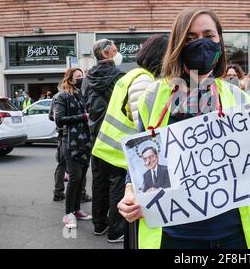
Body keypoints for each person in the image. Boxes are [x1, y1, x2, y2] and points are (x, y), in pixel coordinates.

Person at [117, 7, 250, 249]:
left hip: (230, 234)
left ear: (219, 43)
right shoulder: (153, 96)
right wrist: (130, 192)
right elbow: (138, 157)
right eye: (190, 38)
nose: (201, 44)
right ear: (177, 44)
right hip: (172, 233)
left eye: (209, 37)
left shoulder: (238, 98)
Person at [90, 34, 167, 245]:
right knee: (121, 195)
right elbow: (142, 125)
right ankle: (116, 232)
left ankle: (101, 225)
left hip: (107, 146)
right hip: (120, 152)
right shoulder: (144, 80)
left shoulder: (132, 75)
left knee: (103, 190)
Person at [82, 39, 125, 242]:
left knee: (98, 181)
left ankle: (99, 224)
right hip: (114, 135)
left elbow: (86, 103)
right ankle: (116, 230)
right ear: (107, 54)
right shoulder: (119, 77)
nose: (119, 54)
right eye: (116, 51)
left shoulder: (87, 78)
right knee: (117, 181)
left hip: (95, 136)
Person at [55, 68, 92, 229]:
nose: (81, 78)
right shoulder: (62, 96)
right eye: (78, 77)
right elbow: (59, 120)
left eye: (82, 76)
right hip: (69, 141)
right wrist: (83, 117)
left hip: (84, 141)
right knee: (75, 178)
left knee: (81, 177)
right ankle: (68, 214)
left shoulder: (81, 95)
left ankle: (76, 210)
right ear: (69, 79)